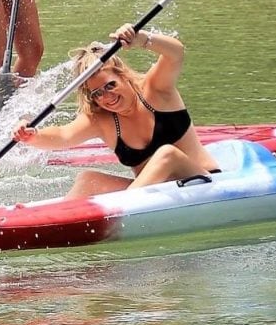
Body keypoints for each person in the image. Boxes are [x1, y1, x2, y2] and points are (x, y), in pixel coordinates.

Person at [13, 24, 219, 198]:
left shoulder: (156, 88)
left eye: (110, 85)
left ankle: (122, 209)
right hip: (151, 194)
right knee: (88, 180)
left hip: (203, 182)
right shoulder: (100, 119)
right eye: (97, 93)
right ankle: (57, 223)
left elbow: (176, 53)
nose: (106, 97)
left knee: (166, 154)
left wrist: (142, 39)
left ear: (123, 75)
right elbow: (63, 135)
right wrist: (32, 135)